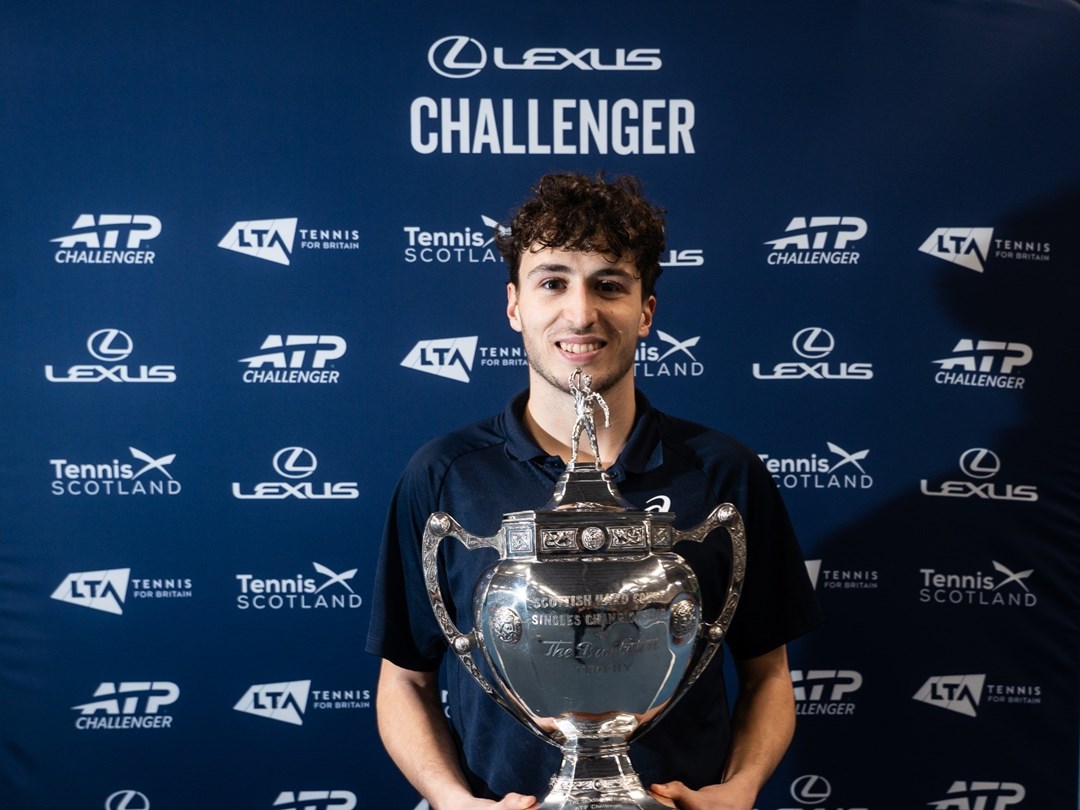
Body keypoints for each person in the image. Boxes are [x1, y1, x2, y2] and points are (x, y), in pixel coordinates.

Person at [366, 172, 824, 810]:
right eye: (552, 281)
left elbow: (767, 675)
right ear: (514, 306)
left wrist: (740, 789)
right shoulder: (445, 474)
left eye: (609, 285)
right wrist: (453, 802)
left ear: (646, 312)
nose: (580, 312)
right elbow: (405, 683)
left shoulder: (723, 471)